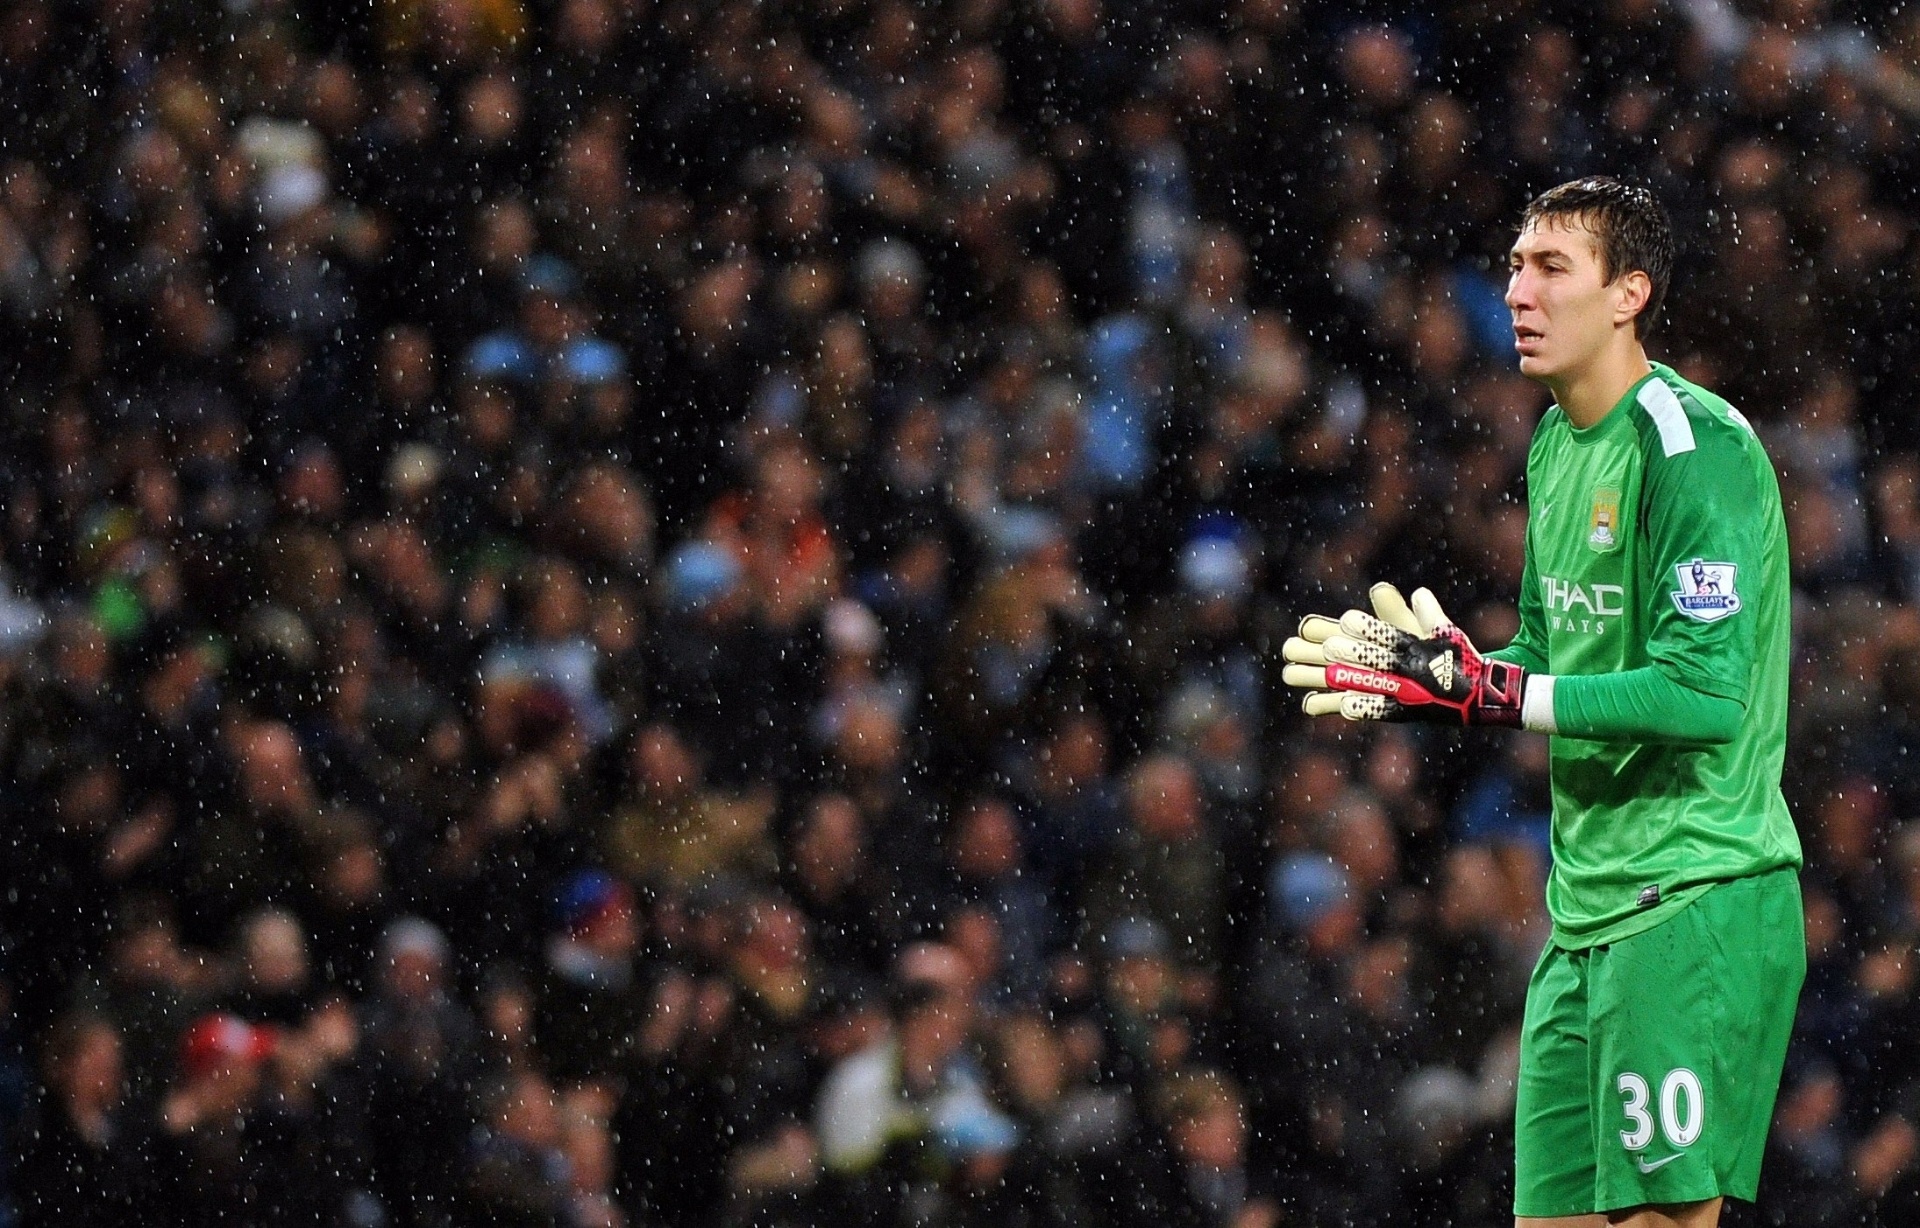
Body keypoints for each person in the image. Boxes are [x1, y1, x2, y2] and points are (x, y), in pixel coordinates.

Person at [1284, 177, 1804, 1227]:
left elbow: (1704, 695)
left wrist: (1498, 693)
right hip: (1583, 920)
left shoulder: (1696, 449)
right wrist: (1446, 681)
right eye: (1517, 264)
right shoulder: (1557, 443)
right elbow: (1543, 657)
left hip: (1693, 892)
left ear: (1629, 294)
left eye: (1551, 267)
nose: (1518, 289)